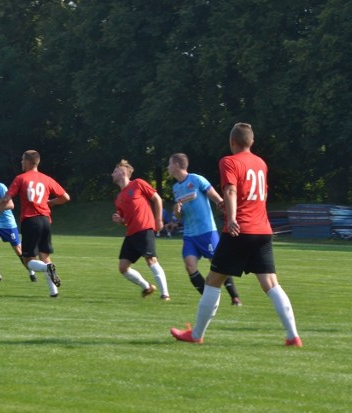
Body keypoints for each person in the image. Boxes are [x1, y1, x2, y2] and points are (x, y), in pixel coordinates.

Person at [171, 123, 302, 346]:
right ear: (251, 142)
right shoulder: (261, 163)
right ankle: (293, 336)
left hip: (240, 229)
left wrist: (232, 217)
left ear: (232, 142)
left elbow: (230, 189)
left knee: (213, 281)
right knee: (271, 283)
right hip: (263, 230)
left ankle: (196, 335)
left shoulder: (228, 161)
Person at [0, 150, 70, 298]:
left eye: (22, 160)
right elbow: (65, 197)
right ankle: (54, 292)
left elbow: (6, 199)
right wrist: (50, 202)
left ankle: (48, 268)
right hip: (46, 220)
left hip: (30, 221)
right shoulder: (46, 179)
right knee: (44, 255)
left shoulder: (21, 178)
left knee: (28, 261)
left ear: (27, 162)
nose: (21, 163)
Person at [167, 153, 243, 306]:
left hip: (207, 231)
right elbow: (179, 216)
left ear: (176, 165)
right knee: (189, 266)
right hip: (190, 234)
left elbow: (216, 198)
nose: (167, 167)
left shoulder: (196, 179)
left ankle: (235, 297)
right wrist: (177, 210)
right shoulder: (175, 188)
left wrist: (224, 206)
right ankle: (208, 300)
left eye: (169, 164)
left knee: (218, 265)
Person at [111, 159, 170, 300]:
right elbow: (126, 220)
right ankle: (147, 287)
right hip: (131, 233)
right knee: (123, 268)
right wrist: (120, 221)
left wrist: (158, 219)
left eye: (115, 171)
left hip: (144, 229)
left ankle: (165, 294)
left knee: (151, 260)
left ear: (123, 172)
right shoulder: (118, 198)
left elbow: (157, 199)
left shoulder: (138, 183)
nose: (112, 174)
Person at [0, 163, 37, 283]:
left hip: (7, 225)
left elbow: (11, 205)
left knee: (19, 251)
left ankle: (31, 272)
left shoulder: (1, 188)